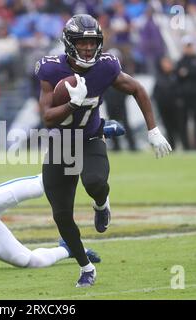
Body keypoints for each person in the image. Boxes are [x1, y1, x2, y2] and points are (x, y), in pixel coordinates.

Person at [35, 14, 171, 288]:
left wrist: (153, 130)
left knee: (95, 182)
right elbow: (48, 117)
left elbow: (137, 89)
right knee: (61, 214)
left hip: (90, 137)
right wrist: (72, 106)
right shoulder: (50, 70)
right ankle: (86, 268)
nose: (87, 48)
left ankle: (101, 204)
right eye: (82, 42)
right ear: (69, 43)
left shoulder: (106, 66)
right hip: (61, 143)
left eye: (92, 42)